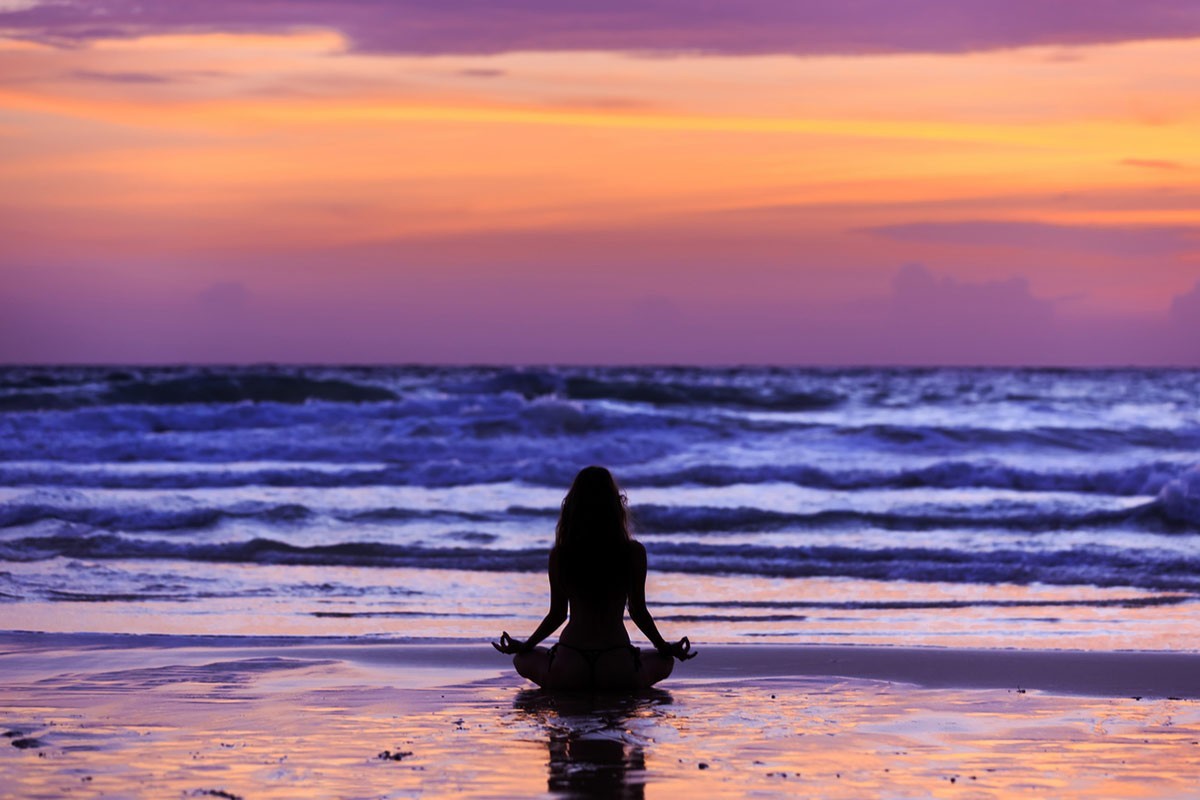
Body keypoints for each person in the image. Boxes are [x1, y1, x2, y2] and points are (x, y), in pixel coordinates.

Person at [492, 466, 696, 690]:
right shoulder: (633, 552)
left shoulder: (561, 554)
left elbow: (557, 615)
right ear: (616, 505)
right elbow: (638, 611)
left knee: (522, 658)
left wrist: (526, 645)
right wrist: (664, 647)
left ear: (572, 506)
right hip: (617, 663)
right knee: (664, 661)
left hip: (570, 663)